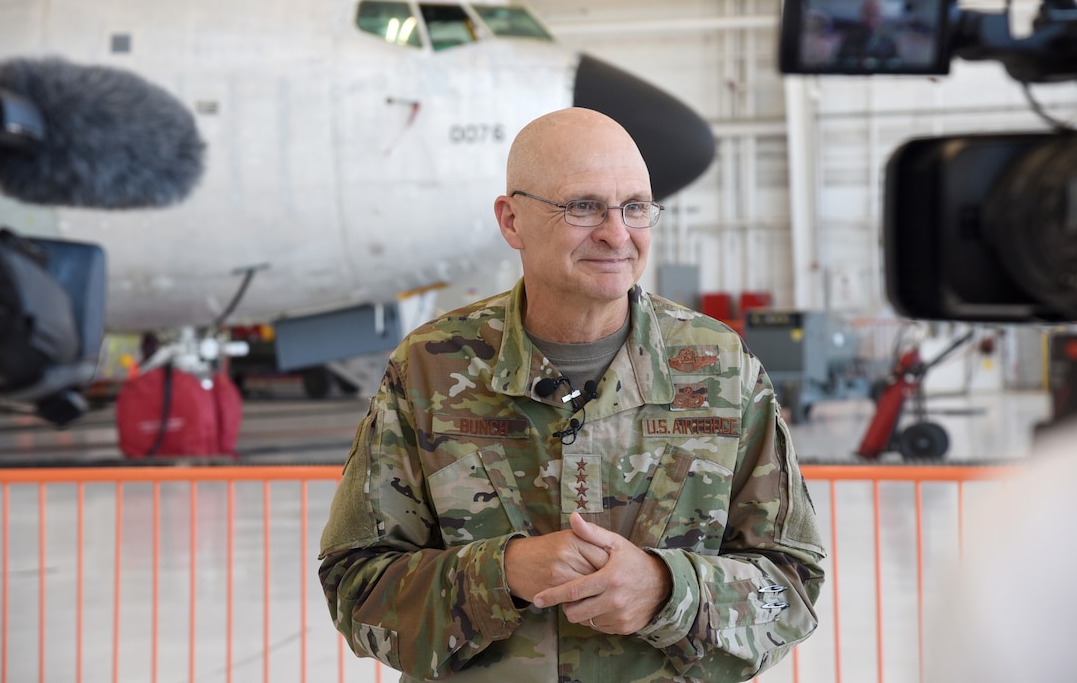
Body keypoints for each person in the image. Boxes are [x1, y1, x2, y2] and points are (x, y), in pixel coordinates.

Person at [318, 107, 826, 682]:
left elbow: (792, 588)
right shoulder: (429, 368)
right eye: (583, 207)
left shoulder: (722, 370)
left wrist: (669, 591)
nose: (616, 234)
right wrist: (500, 574)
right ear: (512, 221)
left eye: (635, 207)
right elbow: (355, 587)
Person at [837, 0, 898, 65]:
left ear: (881, 17)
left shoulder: (888, 40)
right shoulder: (850, 37)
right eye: (868, 13)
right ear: (862, 15)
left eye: (875, 14)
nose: (871, 19)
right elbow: (842, 60)